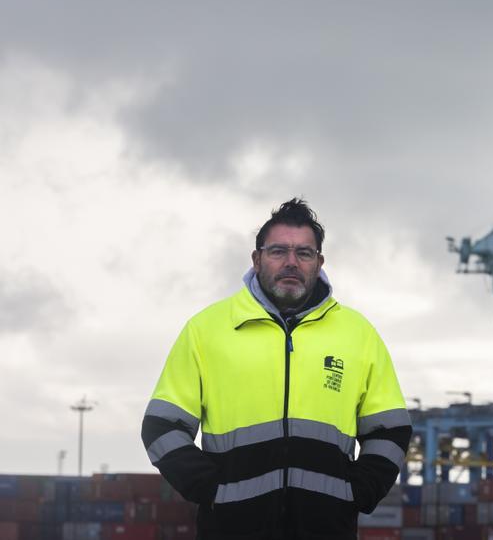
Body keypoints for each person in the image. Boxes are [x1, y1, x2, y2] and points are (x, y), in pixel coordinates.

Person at [141, 198, 411, 540]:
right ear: (257, 259)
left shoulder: (359, 335)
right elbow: (161, 426)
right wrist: (212, 490)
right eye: (278, 251)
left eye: (304, 253)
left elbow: (391, 430)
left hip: (328, 530)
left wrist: (357, 493)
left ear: (319, 262)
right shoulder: (206, 331)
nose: (291, 263)